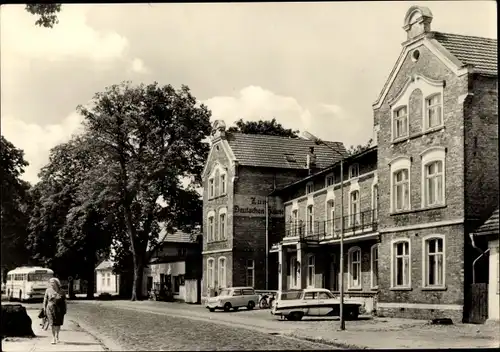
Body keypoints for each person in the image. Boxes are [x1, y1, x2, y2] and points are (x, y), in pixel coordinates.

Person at [43, 277, 67, 344]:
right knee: (52, 323)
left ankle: (57, 336)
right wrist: (44, 308)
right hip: (50, 308)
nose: (51, 284)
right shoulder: (48, 290)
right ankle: (53, 337)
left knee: (58, 323)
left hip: (59, 309)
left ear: (57, 283)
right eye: (50, 282)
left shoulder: (62, 291)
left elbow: (65, 301)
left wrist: (65, 309)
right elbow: (45, 300)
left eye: (53, 282)